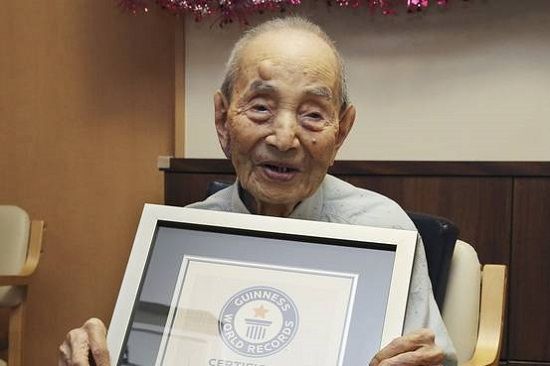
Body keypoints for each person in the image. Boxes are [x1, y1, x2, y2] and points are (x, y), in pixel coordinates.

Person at [59, 17, 456, 366]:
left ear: (342, 132)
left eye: (313, 115)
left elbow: (432, 357)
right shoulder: (189, 238)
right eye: (261, 108)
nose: (284, 138)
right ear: (221, 119)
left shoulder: (383, 230)